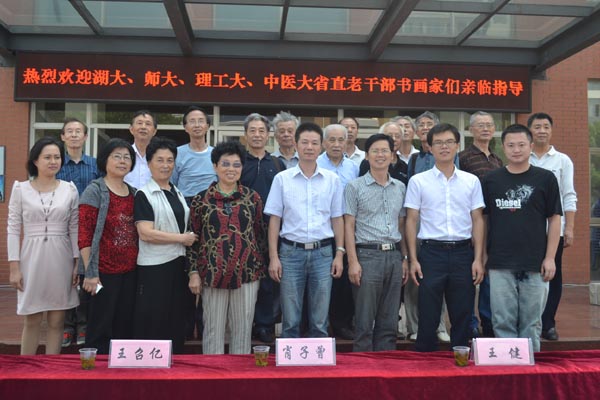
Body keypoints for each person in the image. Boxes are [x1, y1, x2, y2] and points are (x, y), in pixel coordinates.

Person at [404, 123, 485, 352]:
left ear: (457, 145)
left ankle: (460, 357)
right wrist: (413, 259)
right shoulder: (418, 181)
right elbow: (411, 220)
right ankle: (426, 358)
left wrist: (478, 259)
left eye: (449, 142)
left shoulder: (471, 181)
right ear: (430, 148)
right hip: (431, 253)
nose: (444, 147)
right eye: (438, 143)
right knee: (428, 310)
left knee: (462, 310)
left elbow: (478, 220)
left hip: (463, 252)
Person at [482, 124, 562, 352]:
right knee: (502, 320)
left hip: (535, 262)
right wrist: (483, 255)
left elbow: (554, 219)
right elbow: (483, 220)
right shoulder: (491, 180)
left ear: (531, 146)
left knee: (532, 322)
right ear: (503, 147)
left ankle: (530, 366)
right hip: (500, 262)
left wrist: (550, 258)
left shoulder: (545, 178)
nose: (516, 150)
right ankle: (508, 367)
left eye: (521, 145)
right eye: (511, 145)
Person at [265, 122, 345, 338]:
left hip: (323, 254)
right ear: (296, 144)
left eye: (314, 143)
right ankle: (290, 358)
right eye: (305, 142)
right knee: (290, 319)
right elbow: (274, 220)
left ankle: (318, 358)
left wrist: (339, 253)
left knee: (320, 320)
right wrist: (274, 257)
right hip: (290, 253)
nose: (309, 147)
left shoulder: (332, 180)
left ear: (321, 146)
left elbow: (337, 219)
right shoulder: (282, 179)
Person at [188, 141, 266, 354]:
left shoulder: (253, 198)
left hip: (247, 274)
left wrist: (259, 269)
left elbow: (260, 235)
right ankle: (213, 372)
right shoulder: (201, 200)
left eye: (236, 165)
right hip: (212, 273)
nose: (231, 169)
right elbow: (193, 239)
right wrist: (193, 272)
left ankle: (239, 373)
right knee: (213, 329)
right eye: (225, 164)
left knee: (243, 330)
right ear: (215, 166)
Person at [7, 137, 79, 355]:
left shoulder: (70, 189)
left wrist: (77, 263)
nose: (53, 161)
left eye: (57, 157)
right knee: (32, 318)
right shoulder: (20, 189)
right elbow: (13, 228)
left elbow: (74, 228)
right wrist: (14, 267)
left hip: (61, 257)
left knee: (57, 320)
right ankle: (26, 367)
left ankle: (52, 368)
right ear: (35, 160)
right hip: (31, 257)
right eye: (47, 157)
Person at [133, 137, 197, 354]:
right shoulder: (144, 194)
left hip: (177, 264)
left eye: (170, 160)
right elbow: (145, 233)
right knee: (155, 318)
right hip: (155, 266)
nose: (165, 165)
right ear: (149, 163)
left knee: (175, 318)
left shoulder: (176, 191)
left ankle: (174, 363)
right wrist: (181, 239)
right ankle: (151, 366)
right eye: (159, 160)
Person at [345, 133, 408, 351]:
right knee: (364, 321)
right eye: (375, 151)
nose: (380, 155)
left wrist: (405, 258)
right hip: (367, 256)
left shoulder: (400, 187)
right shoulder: (354, 187)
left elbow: (402, 225)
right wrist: (352, 261)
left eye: (384, 151)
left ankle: (386, 364)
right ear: (367, 156)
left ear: (392, 155)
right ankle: (362, 367)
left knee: (389, 321)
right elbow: (348, 225)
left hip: (394, 256)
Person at [78, 139, 138, 354]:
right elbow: (84, 234)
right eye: (117, 156)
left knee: (124, 323)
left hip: (130, 271)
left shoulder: (134, 192)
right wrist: (90, 272)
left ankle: (120, 368)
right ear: (105, 160)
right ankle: (96, 370)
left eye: (127, 157)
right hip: (103, 272)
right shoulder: (94, 190)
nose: (122, 161)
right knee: (100, 325)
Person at [404, 111, 454, 343]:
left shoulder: (449, 155)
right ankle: (414, 326)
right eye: (421, 124)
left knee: (441, 280)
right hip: (418, 222)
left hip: (442, 224)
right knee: (416, 279)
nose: (425, 127)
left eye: (429, 124)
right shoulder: (414, 159)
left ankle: (440, 325)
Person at [528, 113, 577, 342]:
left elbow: (569, 195)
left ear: (551, 130)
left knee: (552, 276)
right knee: (529, 276)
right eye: (537, 127)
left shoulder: (562, 160)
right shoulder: (522, 156)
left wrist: (570, 227)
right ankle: (530, 321)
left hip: (554, 231)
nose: (542, 131)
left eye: (546, 127)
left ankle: (548, 323)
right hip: (527, 231)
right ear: (530, 131)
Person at [240, 113, 285, 344]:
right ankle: (244, 324)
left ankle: (265, 325)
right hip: (242, 231)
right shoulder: (238, 162)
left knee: (269, 280)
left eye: (261, 131)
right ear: (245, 134)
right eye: (253, 131)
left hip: (271, 230)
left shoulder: (277, 164)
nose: (257, 135)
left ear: (268, 135)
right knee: (245, 279)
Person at [56, 117, 101, 347]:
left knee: (84, 277)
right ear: (63, 136)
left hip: (88, 230)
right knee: (66, 277)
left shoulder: (95, 165)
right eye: (69, 131)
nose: (74, 135)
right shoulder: (56, 164)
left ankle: (83, 325)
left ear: (85, 136)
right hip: (62, 229)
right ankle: (66, 326)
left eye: (78, 131)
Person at [459, 111, 503, 338]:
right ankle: (470, 323)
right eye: (480, 125)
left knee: (488, 274)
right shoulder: (463, 158)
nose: (485, 129)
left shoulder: (497, 160)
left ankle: (488, 321)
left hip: (493, 224)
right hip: (469, 223)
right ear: (471, 130)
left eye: (489, 125)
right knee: (468, 277)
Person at [317, 123, 359, 340]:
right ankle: (319, 324)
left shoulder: (354, 167)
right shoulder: (315, 163)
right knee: (321, 281)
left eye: (340, 140)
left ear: (347, 142)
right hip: (322, 229)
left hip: (348, 228)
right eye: (331, 140)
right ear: (324, 142)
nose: (336, 144)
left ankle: (342, 323)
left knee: (343, 281)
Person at [172, 106, 216, 204]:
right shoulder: (176, 153)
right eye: (192, 121)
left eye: (201, 121)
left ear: (207, 126)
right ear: (185, 127)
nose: (197, 125)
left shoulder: (217, 153)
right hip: (185, 203)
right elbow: (172, 183)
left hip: (211, 203)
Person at [124, 110, 157, 189]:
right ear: (131, 129)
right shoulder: (123, 154)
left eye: (148, 124)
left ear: (154, 131)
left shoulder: (159, 156)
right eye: (139, 123)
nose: (143, 127)